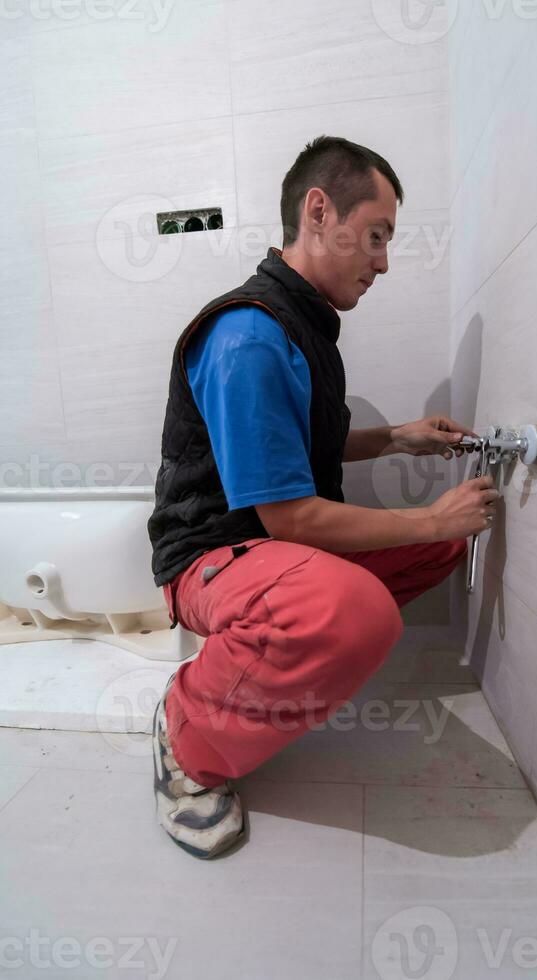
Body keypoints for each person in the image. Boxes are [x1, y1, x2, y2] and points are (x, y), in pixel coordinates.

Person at [147, 135, 499, 860]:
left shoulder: (302, 326)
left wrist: (397, 438)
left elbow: (296, 448)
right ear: (318, 212)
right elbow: (291, 513)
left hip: (266, 548)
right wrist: (427, 512)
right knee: (359, 602)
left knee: (437, 543)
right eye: (376, 235)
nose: (384, 261)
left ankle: (280, 647)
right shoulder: (249, 333)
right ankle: (187, 736)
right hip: (208, 558)